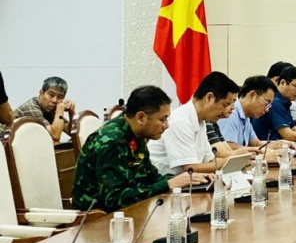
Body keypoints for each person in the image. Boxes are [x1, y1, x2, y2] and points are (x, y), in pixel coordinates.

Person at [72, 86, 212, 212]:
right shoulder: (112, 142)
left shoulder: (136, 135)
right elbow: (115, 199)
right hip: (97, 219)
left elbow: (150, 177)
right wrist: (168, 184)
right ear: (141, 117)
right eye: (162, 119)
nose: (166, 125)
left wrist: (190, 179)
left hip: (131, 211)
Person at [148, 71, 240, 176]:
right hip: (167, 186)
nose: (226, 111)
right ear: (209, 98)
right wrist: (229, 162)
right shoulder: (180, 121)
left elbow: (208, 160)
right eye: (225, 104)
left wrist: (239, 160)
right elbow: (189, 168)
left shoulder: (201, 121)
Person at [217, 75, 294, 158]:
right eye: (267, 103)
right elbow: (230, 148)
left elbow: (256, 143)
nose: (267, 110)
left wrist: (279, 144)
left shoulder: (246, 116)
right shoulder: (231, 113)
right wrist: (264, 153)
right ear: (252, 95)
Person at [253, 65, 296, 142]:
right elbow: (288, 135)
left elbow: (294, 129)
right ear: (283, 83)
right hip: (268, 147)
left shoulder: (286, 101)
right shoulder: (275, 102)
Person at [14, 76, 75, 142]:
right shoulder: (31, 108)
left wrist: (71, 111)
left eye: (60, 97)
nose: (54, 100)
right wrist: (60, 109)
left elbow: (73, 133)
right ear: (41, 93)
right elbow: (55, 136)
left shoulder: (51, 109)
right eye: (51, 95)